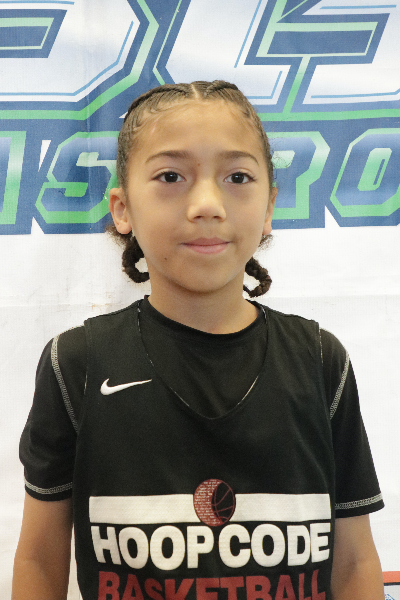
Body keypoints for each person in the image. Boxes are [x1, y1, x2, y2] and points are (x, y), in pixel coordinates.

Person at [12, 81, 385, 600]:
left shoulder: (321, 360)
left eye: (237, 177)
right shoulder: (75, 363)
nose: (207, 204)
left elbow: (354, 563)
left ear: (270, 206)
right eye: (171, 176)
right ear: (122, 208)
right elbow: (38, 559)